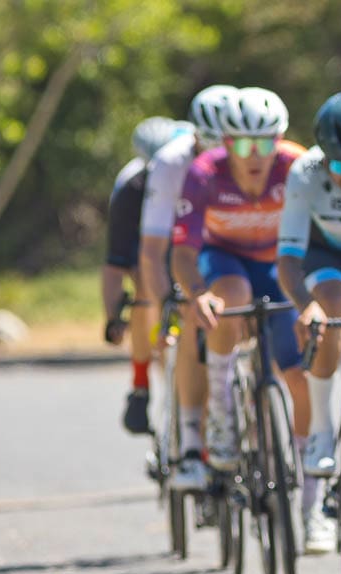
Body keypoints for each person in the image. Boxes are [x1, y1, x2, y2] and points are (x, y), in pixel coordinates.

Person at [170, 87, 309, 481]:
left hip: (278, 264)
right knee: (229, 300)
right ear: (226, 142)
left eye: (265, 143)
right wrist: (198, 295)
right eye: (242, 143)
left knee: (297, 372)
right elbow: (181, 252)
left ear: (279, 141)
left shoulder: (297, 166)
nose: (253, 154)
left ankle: (308, 480)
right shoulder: (204, 173)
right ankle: (220, 412)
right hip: (223, 260)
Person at [276, 90, 341, 554]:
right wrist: (306, 305)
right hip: (330, 257)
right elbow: (287, 258)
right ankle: (321, 427)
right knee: (334, 304)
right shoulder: (306, 172)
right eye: (337, 168)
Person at [139, 84, 238, 490]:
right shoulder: (170, 163)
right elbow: (152, 250)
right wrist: (169, 304)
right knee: (191, 322)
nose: (215, 157)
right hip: (181, 247)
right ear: (193, 137)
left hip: (229, 245)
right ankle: (191, 443)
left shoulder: (250, 159)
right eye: (207, 146)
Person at [103, 116, 194, 435]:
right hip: (147, 244)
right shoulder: (130, 187)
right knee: (143, 285)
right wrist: (113, 316)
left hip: (185, 242)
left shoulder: (190, 169)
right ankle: (141, 384)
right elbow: (115, 264)